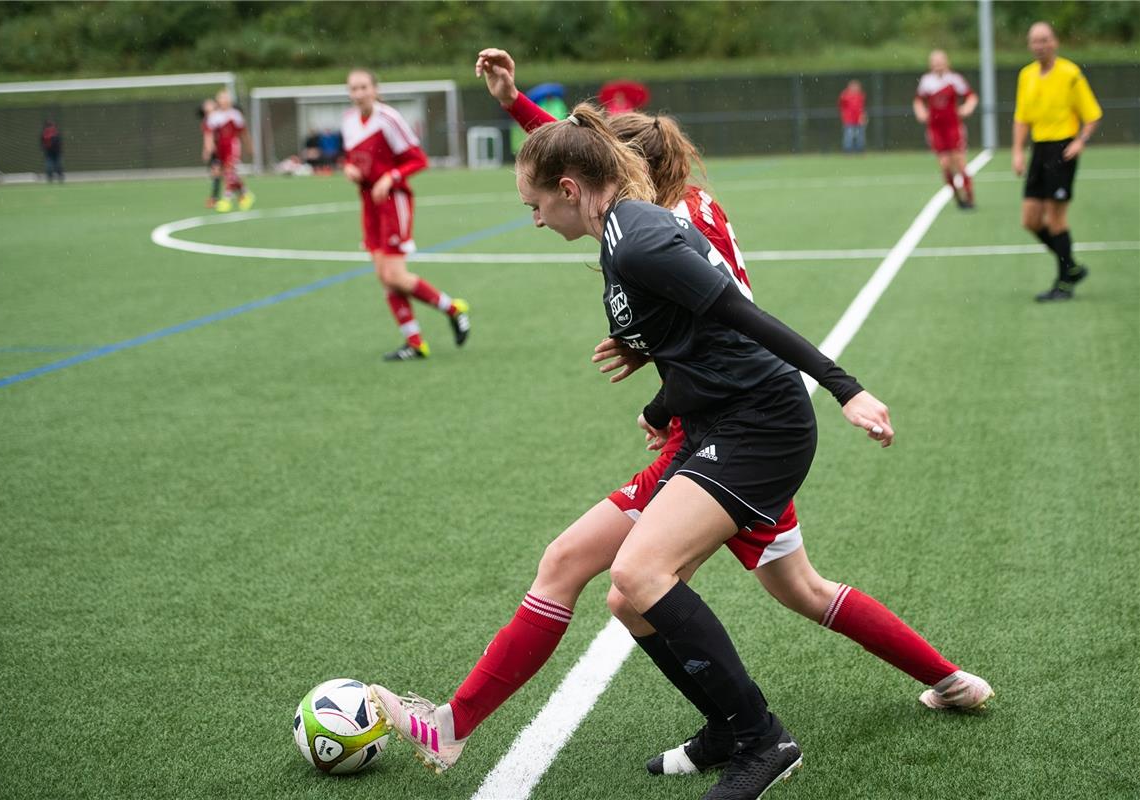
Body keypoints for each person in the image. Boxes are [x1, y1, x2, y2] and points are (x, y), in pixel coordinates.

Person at [370, 53, 990, 798]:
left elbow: (732, 321)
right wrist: (512, 106)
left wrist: (833, 389)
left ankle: (756, 734)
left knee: (644, 583)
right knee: (738, 582)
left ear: (610, 171)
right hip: (705, 422)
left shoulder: (658, 227)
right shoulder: (630, 217)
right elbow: (570, 166)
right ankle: (919, 687)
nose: (534, 215)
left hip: (739, 424)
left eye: (542, 199)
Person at [341, 68, 471, 361]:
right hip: (368, 205)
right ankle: (414, 342)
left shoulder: (388, 119)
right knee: (384, 277)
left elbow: (418, 160)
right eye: (353, 89)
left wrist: (391, 177)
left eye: (363, 87)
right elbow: (353, 159)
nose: (358, 93)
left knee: (394, 274)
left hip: (393, 203)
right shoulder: (348, 121)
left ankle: (452, 308)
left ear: (375, 89)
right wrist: (348, 168)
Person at [1012, 22, 1103, 302]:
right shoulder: (1026, 75)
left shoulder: (1070, 73)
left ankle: (1064, 283)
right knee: (1030, 219)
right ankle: (1071, 266)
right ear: (1029, 45)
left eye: (1044, 40)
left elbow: (1092, 114)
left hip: (1062, 150)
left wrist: (1080, 141)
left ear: (1055, 42)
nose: (1039, 45)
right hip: (1039, 150)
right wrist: (1017, 150)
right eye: (1034, 41)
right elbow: (1021, 117)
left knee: (1055, 219)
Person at [914, 50, 978, 209]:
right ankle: (957, 195)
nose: (938, 66)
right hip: (936, 129)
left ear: (947, 62)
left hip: (953, 126)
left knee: (959, 162)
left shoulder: (954, 80)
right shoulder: (926, 81)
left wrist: (967, 107)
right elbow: (918, 101)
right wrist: (921, 112)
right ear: (930, 65)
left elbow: (971, 96)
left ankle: (969, 195)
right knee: (945, 165)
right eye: (935, 63)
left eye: (940, 62)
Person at [203, 89, 254, 213]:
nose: (224, 100)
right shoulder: (214, 116)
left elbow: (244, 132)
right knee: (228, 172)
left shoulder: (235, 114)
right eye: (222, 98)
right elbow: (209, 134)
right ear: (218, 101)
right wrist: (208, 148)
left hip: (232, 145)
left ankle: (227, 199)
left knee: (229, 171)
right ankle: (245, 194)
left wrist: (249, 146)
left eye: (226, 98)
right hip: (221, 148)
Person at [198, 99, 221, 208]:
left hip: (223, 149)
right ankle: (214, 198)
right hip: (216, 151)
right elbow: (207, 138)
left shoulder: (220, 116)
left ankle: (241, 194)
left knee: (224, 173)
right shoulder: (207, 121)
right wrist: (206, 150)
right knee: (217, 174)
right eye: (207, 104)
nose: (210, 103)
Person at [838, 80, 867, 154]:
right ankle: (848, 152)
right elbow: (841, 106)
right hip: (849, 120)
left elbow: (861, 108)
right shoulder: (845, 95)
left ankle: (860, 151)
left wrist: (863, 117)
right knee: (849, 137)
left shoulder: (860, 95)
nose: (855, 88)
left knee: (860, 137)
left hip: (859, 120)